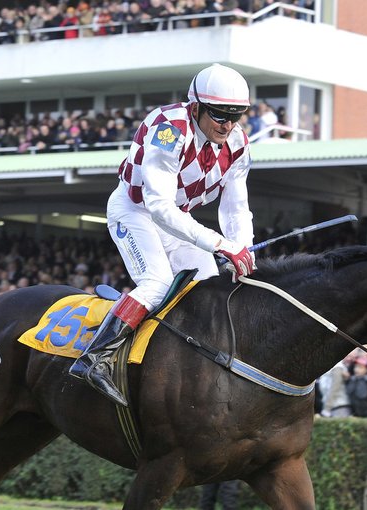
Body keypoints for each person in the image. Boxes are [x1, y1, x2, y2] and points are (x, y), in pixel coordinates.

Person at [69, 63, 255, 406]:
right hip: (136, 210)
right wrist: (221, 244)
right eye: (219, 115)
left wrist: (243, 249)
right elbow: (159, 205)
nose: (228, 125)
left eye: (237, 116)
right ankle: (94, 359)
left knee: (212, 286)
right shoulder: (168, 129)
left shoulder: (238, 144)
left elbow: (235, 209)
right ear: (196, 107)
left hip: (177, 220)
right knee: (156, 284)